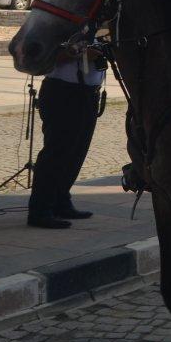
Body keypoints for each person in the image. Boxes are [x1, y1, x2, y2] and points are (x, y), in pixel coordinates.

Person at [27, 47, 104, 229]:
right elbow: (42, 54)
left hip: (89, 92)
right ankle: (40, 210)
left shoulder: (101, 25)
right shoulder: (59, 23)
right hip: (62, 91)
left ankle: (61, 200)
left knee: (77, 151)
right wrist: (80, 54)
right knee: (56, 151)